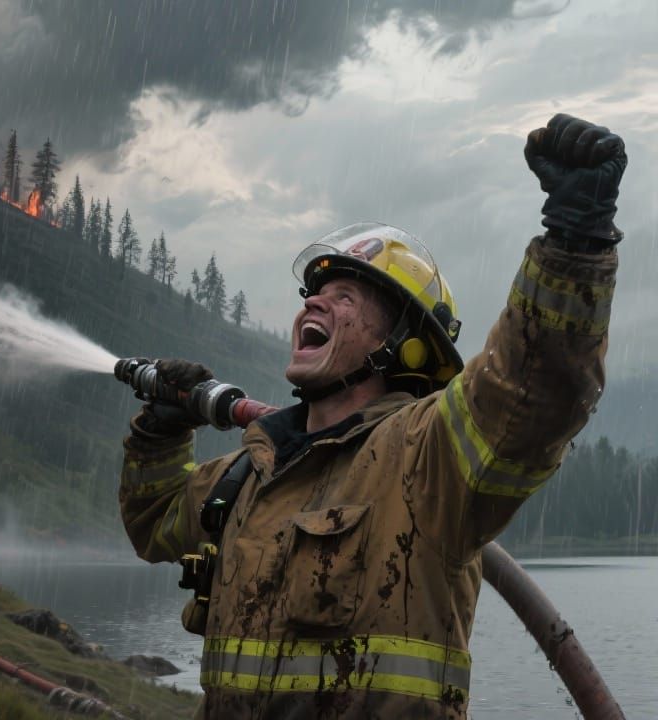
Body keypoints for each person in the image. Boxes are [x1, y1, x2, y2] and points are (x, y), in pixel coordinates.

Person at [117, 114, 625, 719]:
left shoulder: (427, 459)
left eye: (344, 298)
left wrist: (575, 243)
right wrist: (162, 429)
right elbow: (152, 520)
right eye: (312, 294)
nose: (313, 302)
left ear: (403, 346)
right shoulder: (248, 475)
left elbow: (533, 393)